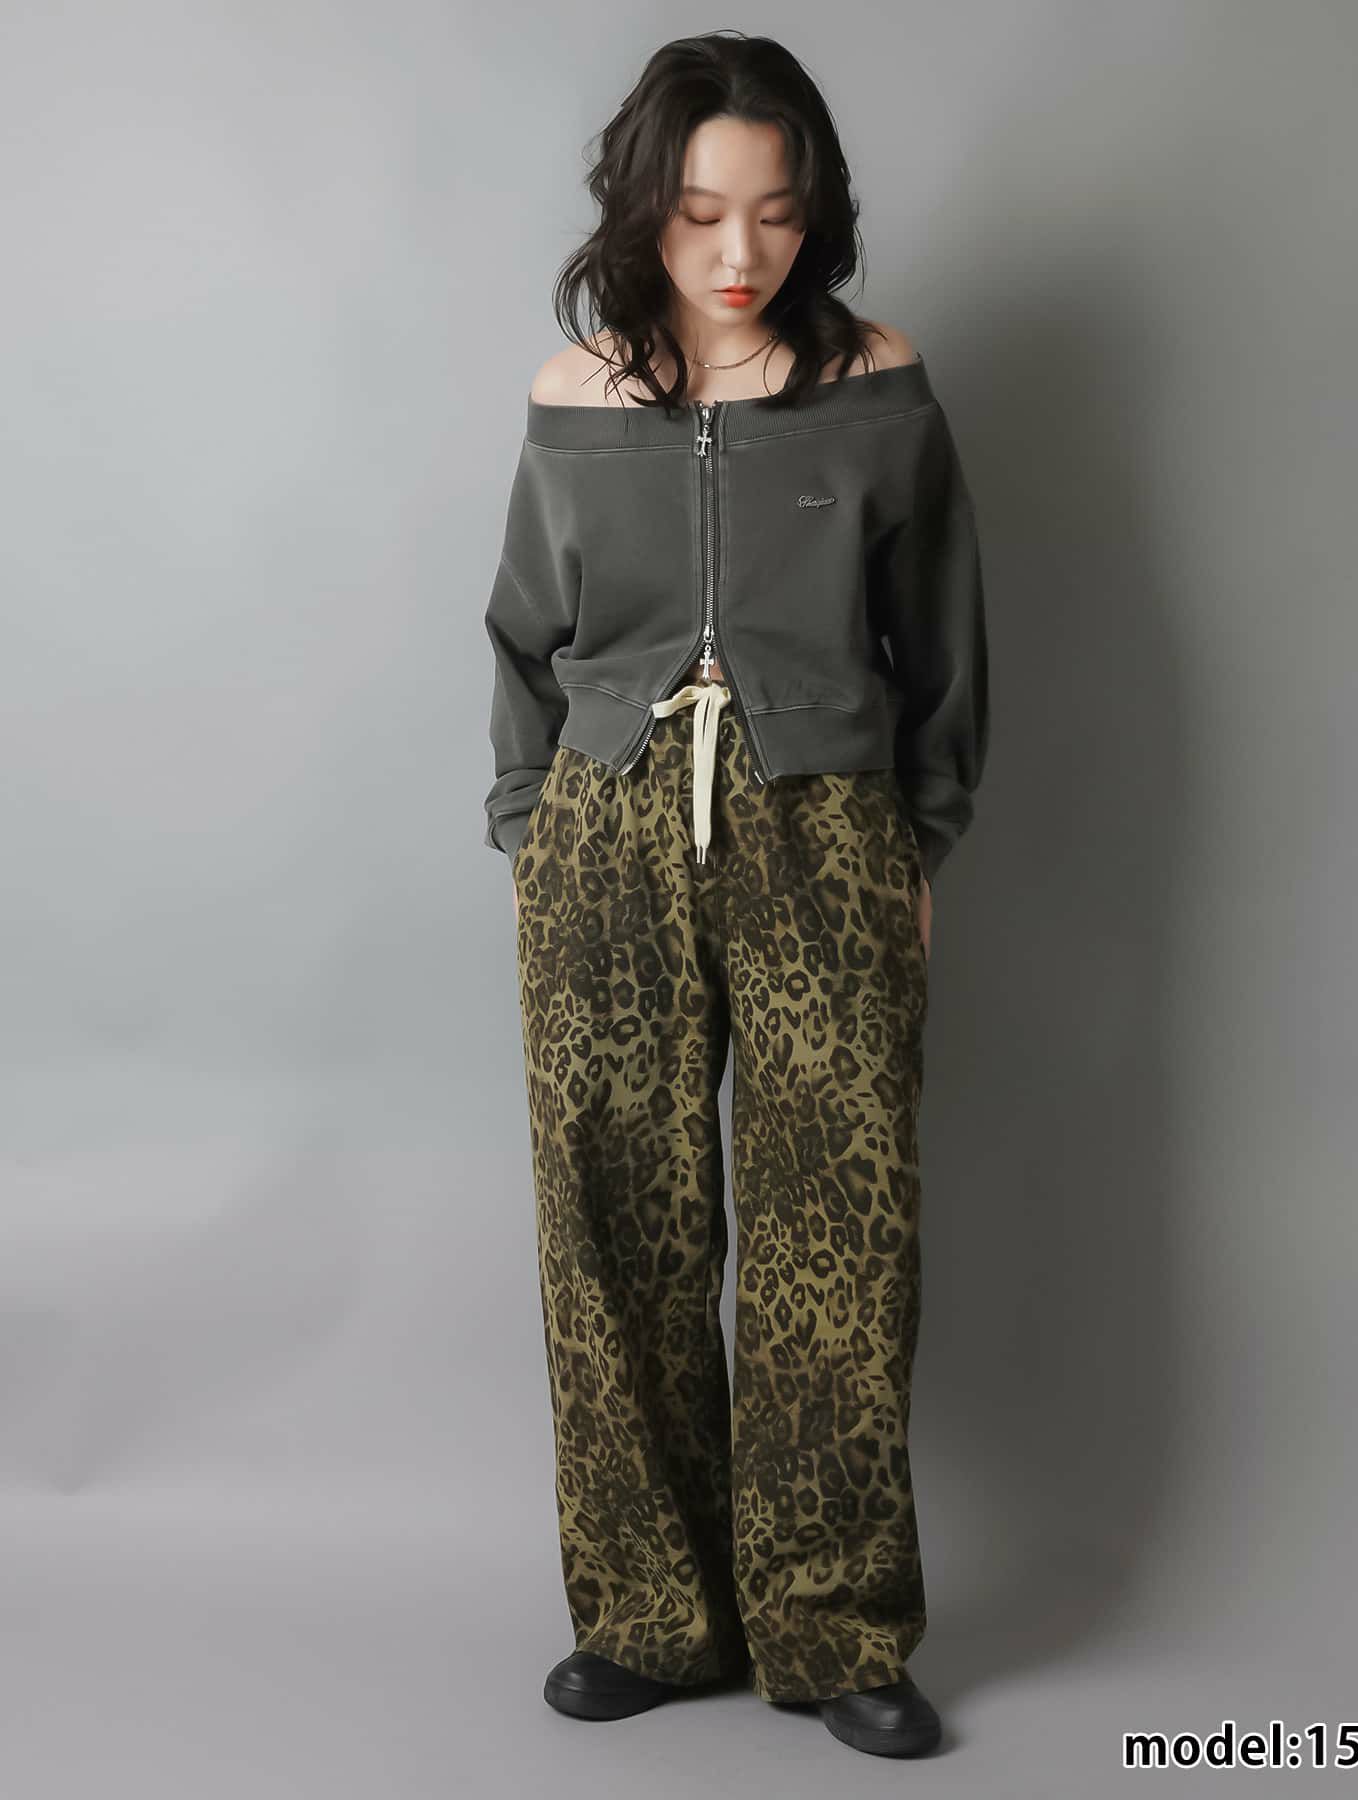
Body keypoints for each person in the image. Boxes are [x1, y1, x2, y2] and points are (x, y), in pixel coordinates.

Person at [482, 31, 988, 1760]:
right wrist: (533, 834)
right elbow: (524, 641)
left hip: (819, 832)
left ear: (812, 211)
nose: (737, 250)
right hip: (608, 835)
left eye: (773, 211)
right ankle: (645, 1613)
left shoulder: (876, 383)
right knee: (613, 1227)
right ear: (645, 208)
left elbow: (941, 640)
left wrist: (913, 842)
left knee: (836, 1229)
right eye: (700, 211)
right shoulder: (575, 399)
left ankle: (833, 1628)